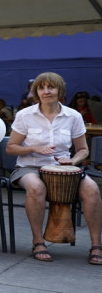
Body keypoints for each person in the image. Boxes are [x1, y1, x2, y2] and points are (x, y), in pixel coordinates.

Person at [6, 72, 101, 265]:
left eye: (51, 87)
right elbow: (10, 148)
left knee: (92, 189)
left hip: (64, 169)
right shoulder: (25, 115)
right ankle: (38, 242)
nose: (46, 91)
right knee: (36, 187)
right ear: (35, 92)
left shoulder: (73, 116)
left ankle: (96, 245)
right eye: (41, 88)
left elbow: (83, 149)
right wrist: (34, 148)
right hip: (29, 166)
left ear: (60, 90)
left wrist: (73, 161)